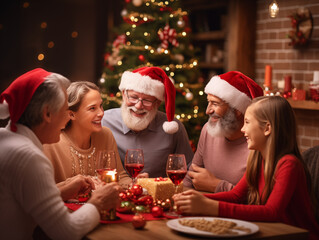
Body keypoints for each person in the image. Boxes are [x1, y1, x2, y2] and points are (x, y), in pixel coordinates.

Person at [174, 96, 319, 240]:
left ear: (267, 128)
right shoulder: (258, 159)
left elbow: (271, 212)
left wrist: (209, 206)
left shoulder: (289, 164)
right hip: (273, 233)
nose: (243, 129)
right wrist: (195, 199)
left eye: (247, 122)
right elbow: (236, 196)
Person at [0, 68, 120, 239]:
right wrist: (98, 203)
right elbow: (67, 232)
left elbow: (25, 198)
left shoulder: (5, 139)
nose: (67, 119)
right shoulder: (29, 157)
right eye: (65, 110)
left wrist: (62, 191)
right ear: (47, 113)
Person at [102, 66, 194, 178]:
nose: (138, 105)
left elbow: (187, 170)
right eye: (133, 97)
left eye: (147, 100)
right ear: (123, 95)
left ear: (157, 103)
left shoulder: (173, 128)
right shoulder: (104, 121)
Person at [183, 71, 263, 192]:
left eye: (215, 104)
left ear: (237, 109)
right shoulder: (208, 130)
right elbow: (189, 179)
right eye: (208, 102)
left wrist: (217, 186)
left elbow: (258, 199)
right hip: (203, 208)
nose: (208, 111)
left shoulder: (258, 142)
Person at [43, 81, 131, 188]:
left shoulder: (105, 135)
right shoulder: (51, 143)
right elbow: (43, 192)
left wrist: (135, 183)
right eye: (92, 108)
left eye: (101, 106)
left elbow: (120, 176)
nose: (101, 113)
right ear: (71, 114)